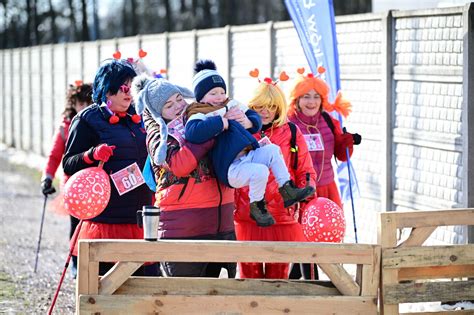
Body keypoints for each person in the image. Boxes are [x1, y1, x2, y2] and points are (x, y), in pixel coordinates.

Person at [185, 60, 315, 227]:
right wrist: (221, 122)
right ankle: (257, 207)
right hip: (230, 167)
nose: (219, 97)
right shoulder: (198, 112)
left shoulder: (230, 103)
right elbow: (193, 132)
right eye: (213, 93)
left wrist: (248, 121)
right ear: (201, 97)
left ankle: (287, 189)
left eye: (221, 92)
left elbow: (253, 117)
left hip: (247, 156)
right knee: (259, 171)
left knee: (273, 150)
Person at [131, 74, 236, 278]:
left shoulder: (200, 116)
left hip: (220, 222)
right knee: (184, 298)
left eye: (179, 98)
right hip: (183, 227)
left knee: (217, 297)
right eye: (168, 105)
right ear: (156, 111)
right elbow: (180, 164)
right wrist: (210, 133)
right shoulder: (158, 134)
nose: (178, 106)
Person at [62, 59, 158, 276]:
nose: (129, 93)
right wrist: (91, 155)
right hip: (107, 220)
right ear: (108, 89)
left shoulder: (139, 117)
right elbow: (68, 163)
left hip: (140, 216)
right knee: (106, 290)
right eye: (124, 87)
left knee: (145, 287)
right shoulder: (87, 120)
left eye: (131, 87)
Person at [233, 76, 317, 279]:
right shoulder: (239, 131)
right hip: (247, 216)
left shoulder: (292, 132)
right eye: (260, 106)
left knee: (278, 280)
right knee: (248, 279)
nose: (266, 111)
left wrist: (308, 200)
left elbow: (305, 169)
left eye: (271, 106)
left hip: (281, 216)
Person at [287, 68, 361, 280]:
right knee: (303, 239)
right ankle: (311, 284)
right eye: (305, 97)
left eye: (316, 97)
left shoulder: (329, 122)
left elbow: (341, 154)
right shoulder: (290, 123)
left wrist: (346, 142)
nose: (311, 102)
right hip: (301, 191)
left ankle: (300, 277)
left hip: (327, 189)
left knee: (325, 239)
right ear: (296, 100)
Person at [40, 81, 93, 276]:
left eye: (89, 103)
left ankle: (94, 262)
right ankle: (76, 262)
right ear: (73, 104)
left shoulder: (98, 122)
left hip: (95, 183)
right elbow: (54, 155)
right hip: (73, 185)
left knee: (94, 225)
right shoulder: (65, 127)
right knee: (76, 225)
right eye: (81, 103)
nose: (85, 107)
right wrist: (47, 178)